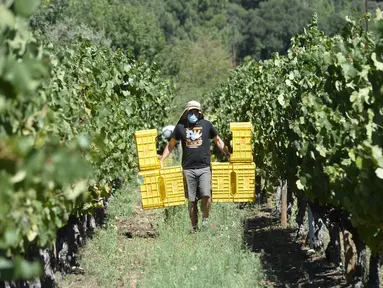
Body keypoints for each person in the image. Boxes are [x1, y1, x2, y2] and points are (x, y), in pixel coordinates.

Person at [160, 100, 230, 232]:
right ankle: (194, 227)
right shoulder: (181, 127)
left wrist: (227, 154)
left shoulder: (207, 125)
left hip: (204, 168)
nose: (193, 114)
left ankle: (205, 220)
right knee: (191, 201)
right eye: (190, 112)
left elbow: (218, 141)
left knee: (206, 195)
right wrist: (162, 159)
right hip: (188, 169)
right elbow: (171, 145)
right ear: (186, 113)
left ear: (199, 113)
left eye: (195, 112)